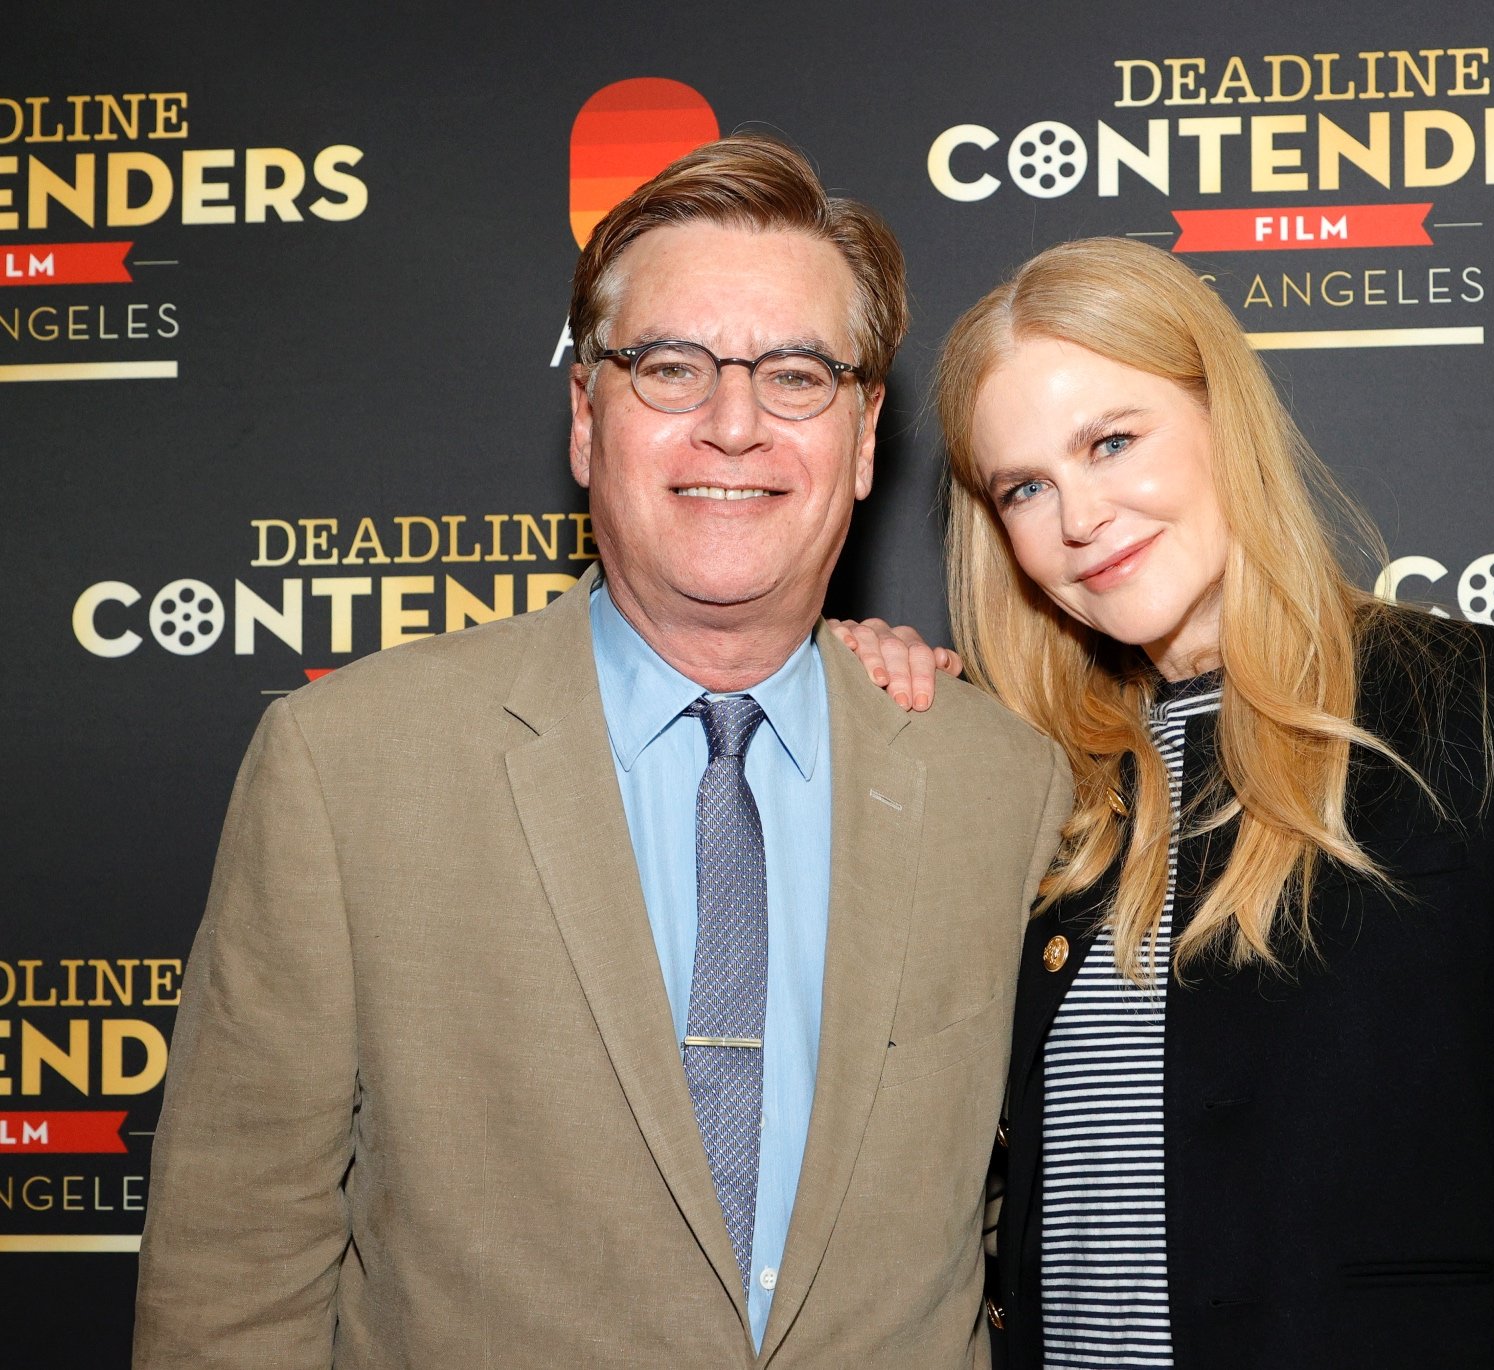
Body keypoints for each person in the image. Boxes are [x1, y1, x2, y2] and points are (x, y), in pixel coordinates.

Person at [132, 135, 1071, 1369]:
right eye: (670, 368)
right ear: (585, 417)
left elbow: (1032, 1234)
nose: (732, 426)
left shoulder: (1001, 785)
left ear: (861, 438)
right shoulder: (345, 766)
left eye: (795, 375)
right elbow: (232, 1268)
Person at [859, 234, 1494, 1368]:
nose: (1079, 516)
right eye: (1026, 488)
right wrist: (842, 692)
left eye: (1111, 441)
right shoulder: (1026, 780)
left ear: (1223, 416)